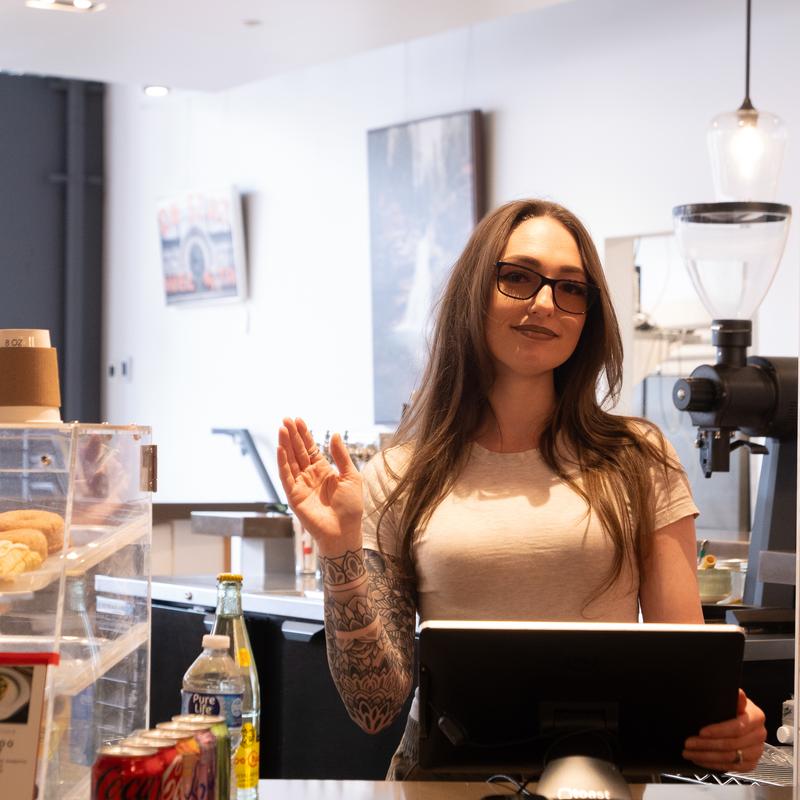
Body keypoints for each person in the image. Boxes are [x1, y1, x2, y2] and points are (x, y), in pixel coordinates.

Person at [277, 198, 767, 779]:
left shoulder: (639, 459)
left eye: (571, 288)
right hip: (441, 789)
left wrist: (732, 727)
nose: (543, 304)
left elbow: (687, 673)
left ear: (589, 316)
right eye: (516, 277)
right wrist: (339, 553)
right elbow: (375, 705)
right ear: (472, 292)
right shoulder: (400, 474)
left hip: (600, 785)